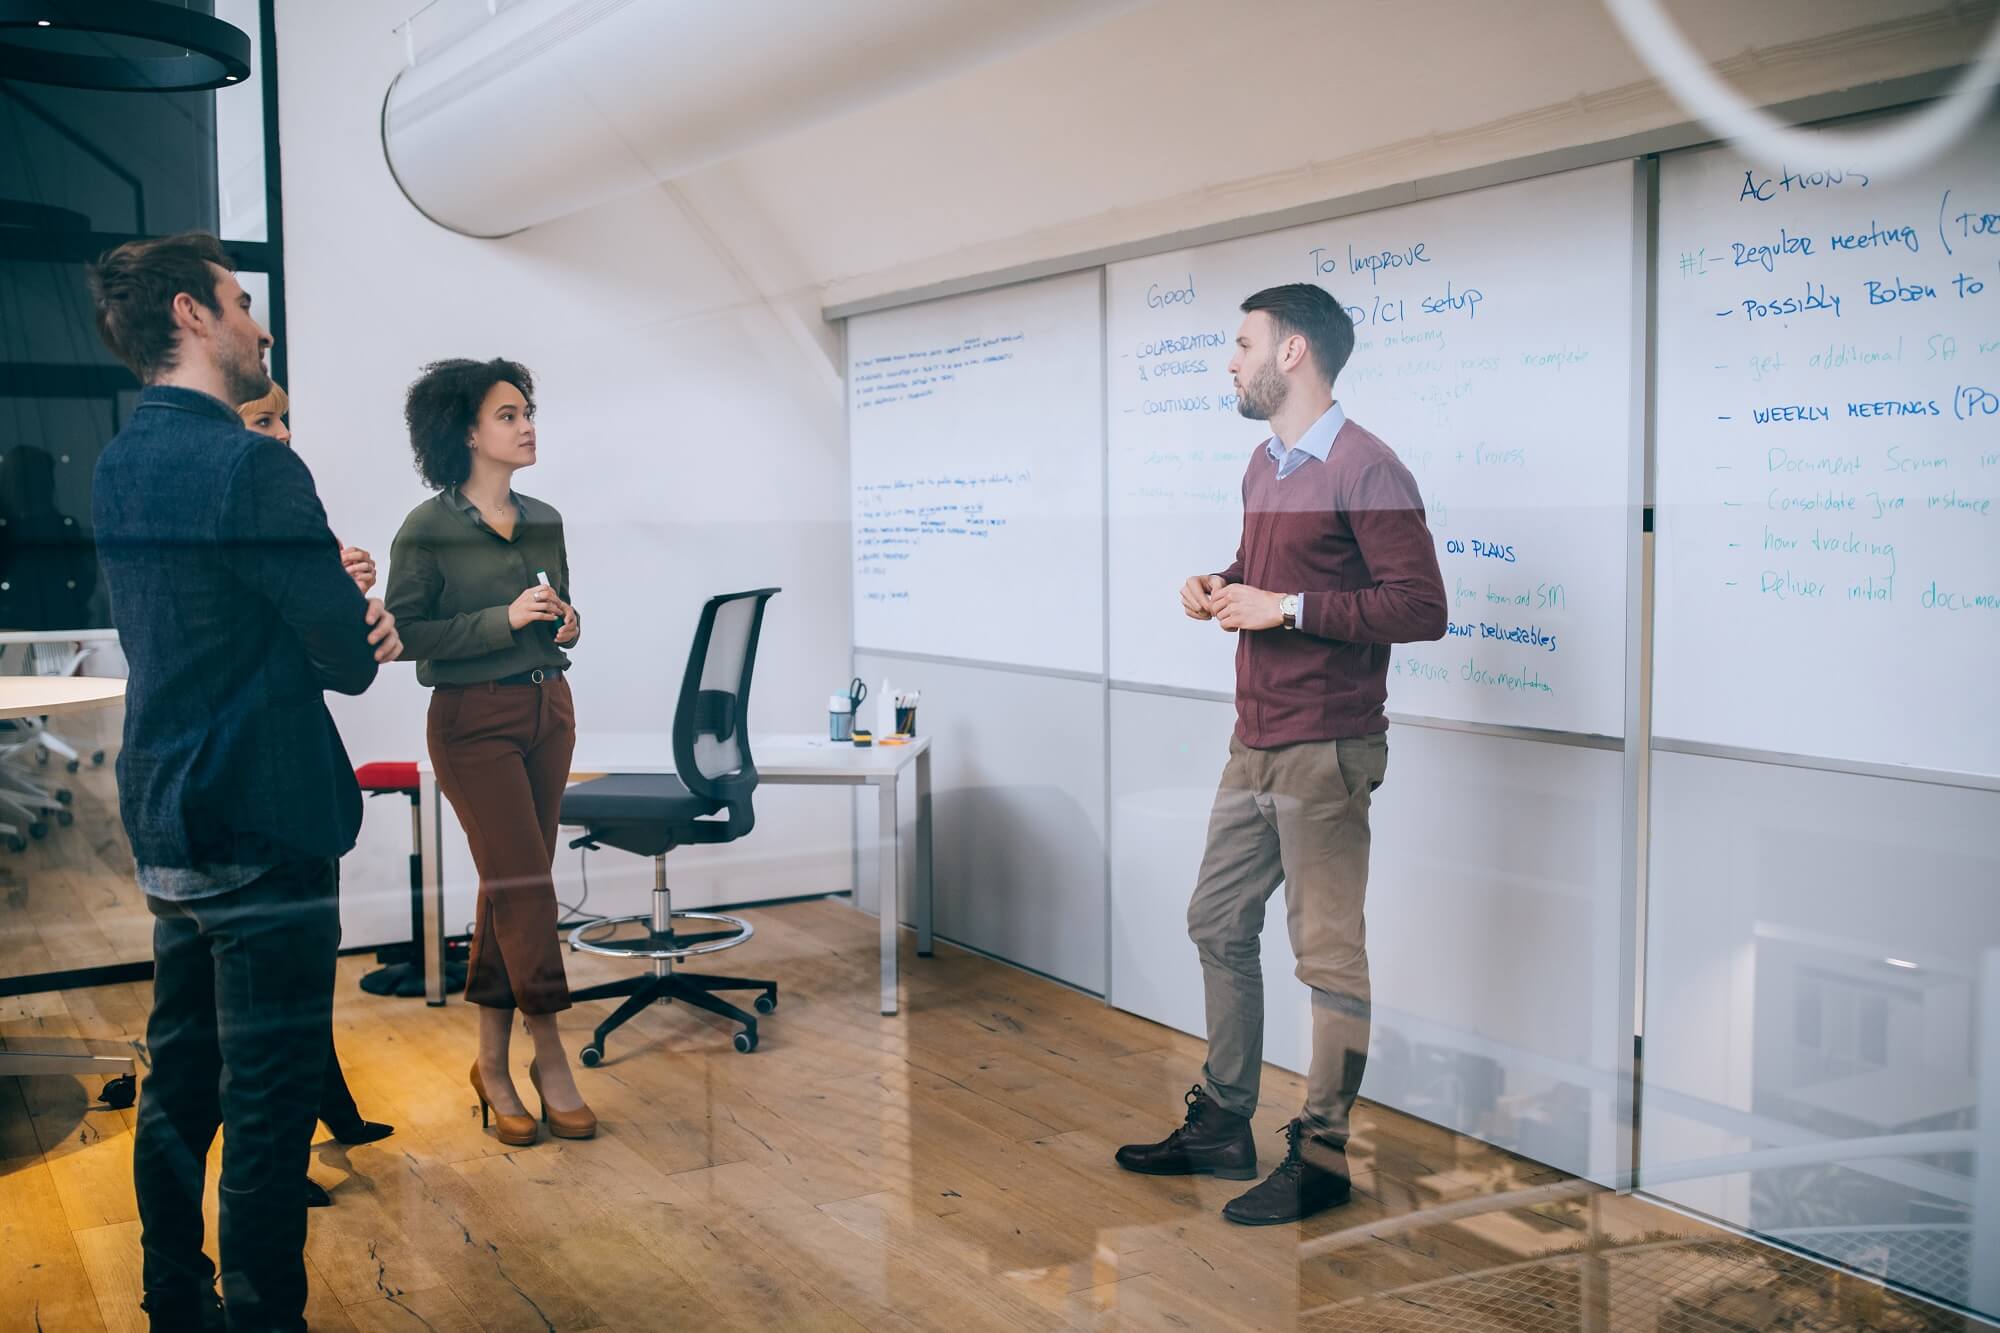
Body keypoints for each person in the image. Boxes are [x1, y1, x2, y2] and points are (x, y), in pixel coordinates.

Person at [86, 232, 401, 1330]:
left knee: (180, 1084)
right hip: (262, 820)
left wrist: (311, 584)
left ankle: (174, 1294)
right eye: (241, 302)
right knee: (265, 1111)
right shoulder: (253, 461)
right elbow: (346, 659)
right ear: (191, 314)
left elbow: (217, 617)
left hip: (171, 814)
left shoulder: (122, 459)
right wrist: (347, 602)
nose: (259, 326)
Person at [1114, 283, 1447, 1226]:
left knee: (1327, 958)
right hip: (1252, 738)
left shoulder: (1368, 467)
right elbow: (1284, 575)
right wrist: (1224, 580)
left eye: (1241, 341)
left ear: (1291, 352)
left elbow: (1421, 607)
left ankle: (1327, 1153)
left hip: (1328, 747)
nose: (1231, 358)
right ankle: (1223, 1121)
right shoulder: (1267, 467)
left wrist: (1287, 608)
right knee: (1216, 921)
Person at [383, 357, 593, 1147]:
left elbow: (560, 608)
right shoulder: (426, 528)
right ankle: (550, 1055)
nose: (527, 424)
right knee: (526, 883)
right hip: (473, 721)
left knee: (511, 887)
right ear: (466, 432)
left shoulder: (544, 516)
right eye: (509, 414)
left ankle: (489, 1065)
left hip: (550, 708)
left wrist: (568, 622)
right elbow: (402, 635)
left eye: (528, 410)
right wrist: (500, 620)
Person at [235, 381, 396, 1208]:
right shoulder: (246, 503)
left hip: (290, 774)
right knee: (279, 998)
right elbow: (326, 655)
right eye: (263, 419)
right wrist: (337, 603)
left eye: (284, 416)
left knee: (300, 980)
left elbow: (331, 636)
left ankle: (328, 1115)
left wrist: (340, 582)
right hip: (270, 785)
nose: (283, 432)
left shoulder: (281, 510)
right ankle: (279, 1159)